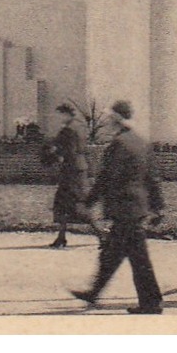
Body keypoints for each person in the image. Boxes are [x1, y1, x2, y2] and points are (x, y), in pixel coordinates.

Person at [69, 100, 164, 314]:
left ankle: (152, 303)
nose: (109, 122)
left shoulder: (118, 145)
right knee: (112, 254)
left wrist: (88, 202)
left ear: (117, 120)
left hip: (125, 209)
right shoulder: (141, 142)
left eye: (111, 118)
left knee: (137, 259)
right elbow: (153, 178)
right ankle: (94, 292)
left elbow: (105, 178)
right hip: (136, 208)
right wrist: (159, 207)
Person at [41, 101, 102, 248]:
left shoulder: (67, 131)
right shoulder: (79, 128)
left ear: (67, 114)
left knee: (77, 205)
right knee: (64, 204)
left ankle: (102, 235)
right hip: (79, 170)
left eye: (60, 114)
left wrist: (54, 155)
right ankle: (61, 237)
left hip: (72, 173)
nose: (59, 117)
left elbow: (68, 152)